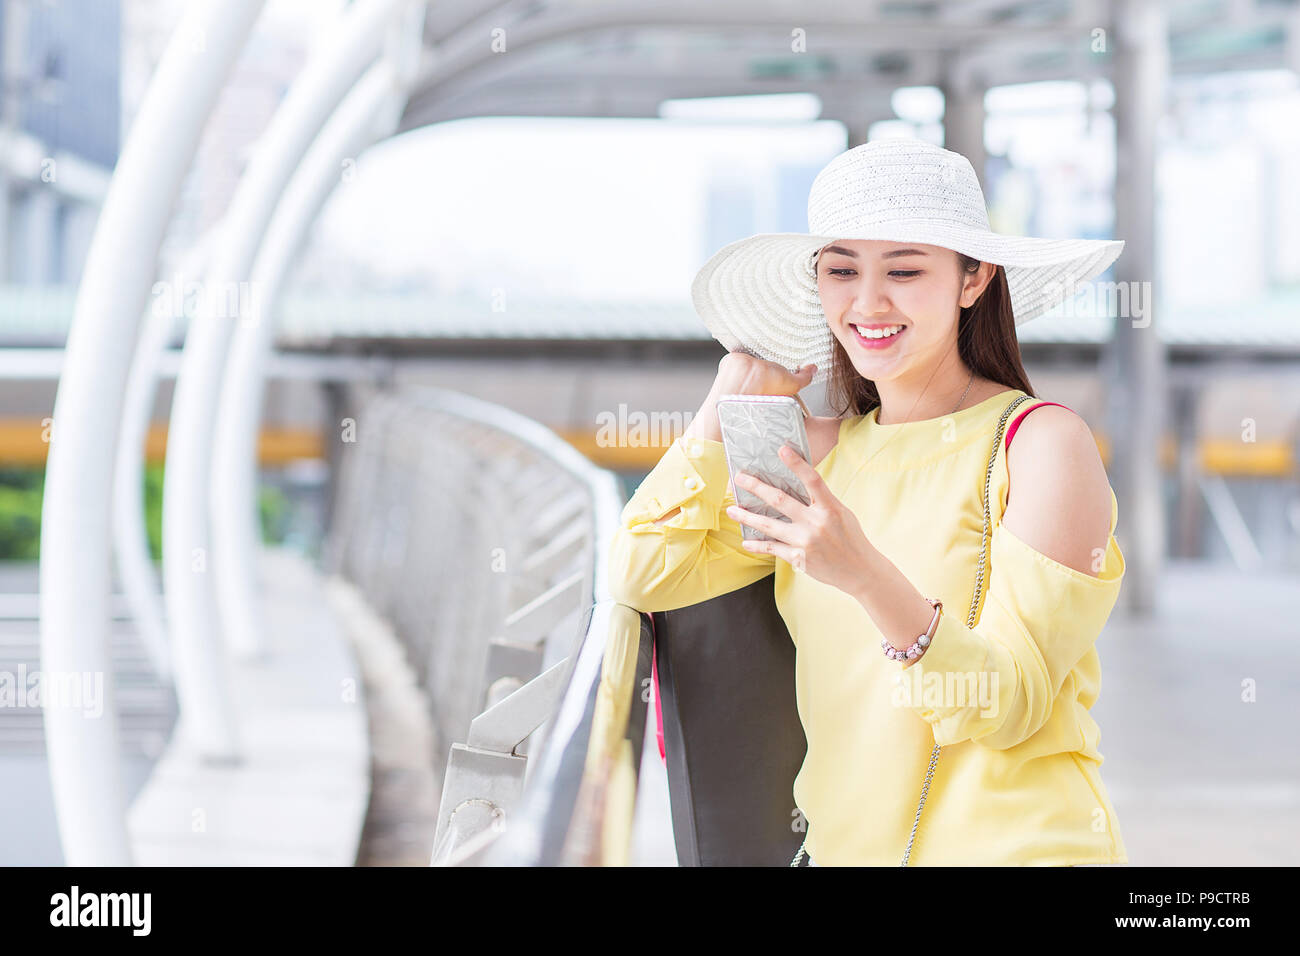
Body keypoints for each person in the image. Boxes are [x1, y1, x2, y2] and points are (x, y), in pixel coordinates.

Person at [607, 138, 1130, 866]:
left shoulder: (1041, 446)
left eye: (906, 270)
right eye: (841, 270)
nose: (867, 303)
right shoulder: (821, 455)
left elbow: (1007, 704)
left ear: (973, 279)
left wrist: (860, 571)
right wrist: (718, 409)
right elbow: (640, 574)